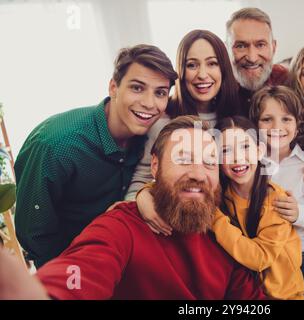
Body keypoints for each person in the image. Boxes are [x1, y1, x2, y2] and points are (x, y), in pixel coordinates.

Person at [0, 116, 266, 300]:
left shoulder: (225, 234)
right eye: (183, 158)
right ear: (155, 166)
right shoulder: (121, 228)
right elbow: (79, 273)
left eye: (209, 162)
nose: (198, 173)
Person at [14, 44, 177, 268]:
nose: (150, 103)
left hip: (121, 257)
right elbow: (35, 234)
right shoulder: (56, 145)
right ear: (113, 87)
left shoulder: (150, 135)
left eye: (160, 92)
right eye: (137, 88)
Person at [125, 29, 241, 199]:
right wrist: (141, 200)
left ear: (223, 68)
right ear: (181, 70)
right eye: (192, 65)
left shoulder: (237, 115)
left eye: (212, 63)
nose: (202, 75)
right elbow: (142, 178)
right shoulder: (163, 121)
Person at [212, 116, 304, 300]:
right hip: (249, 295)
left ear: (259, 151)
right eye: (226, 150)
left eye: (245, 147)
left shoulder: (276, 200)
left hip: (284, 296)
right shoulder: (222, 195)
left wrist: (213, 218)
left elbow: (260, 258)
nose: (238, 157)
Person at [249, 85, 304, 300]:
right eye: (267, 119)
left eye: (286, 119)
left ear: (297, 123)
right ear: (256, 124)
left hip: (303, 260)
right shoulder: (250, 163)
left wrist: (299, 214)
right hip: (264, 260)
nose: (277, 127)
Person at [226, 7, 288, 114]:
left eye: (260, 45)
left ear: (273, 48)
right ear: (226, 49)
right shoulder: (216, 88)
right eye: (241, 46)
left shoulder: (289, 81)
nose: (252, 58)